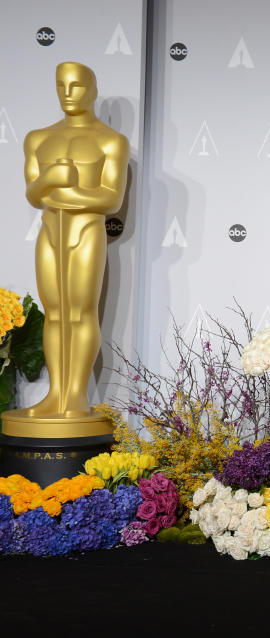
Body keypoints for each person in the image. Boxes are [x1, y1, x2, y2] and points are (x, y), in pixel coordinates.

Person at [20, 61, 129, 419]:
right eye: (61, 86)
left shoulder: (110, 141)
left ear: (93, 90)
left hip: (86, 232)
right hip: (51, 231)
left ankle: (76, 395)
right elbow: (34, 195)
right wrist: (51, 176)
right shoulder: (38, 138)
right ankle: (55, 394)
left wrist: (65, 195)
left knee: (81, 311)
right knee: (54, 313)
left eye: (77, 87)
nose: (68, 94)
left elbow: (111, 199)